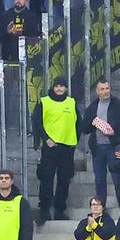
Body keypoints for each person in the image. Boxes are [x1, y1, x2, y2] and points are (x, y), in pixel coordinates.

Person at [39, 79, 79, 216]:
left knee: (64, 179)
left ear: (66, 88)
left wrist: (75, 140)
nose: (59, 89)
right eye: (57, 86)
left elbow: (78, 123)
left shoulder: (71, 102)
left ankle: (59, 209)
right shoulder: (44, 102)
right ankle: (44, 209)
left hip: (67, 147)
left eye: (62, 86)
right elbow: (36, 123)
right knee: (47, 177)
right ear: (53, 87)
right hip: (50, 147)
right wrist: (46, 139)